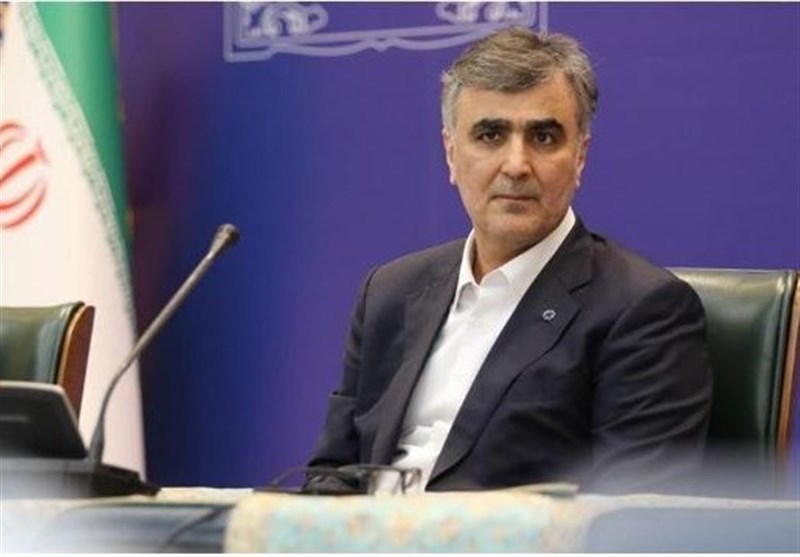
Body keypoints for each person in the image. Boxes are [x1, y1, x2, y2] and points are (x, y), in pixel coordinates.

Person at [307, 27, 712, 494]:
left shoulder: (642, 309)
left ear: (580, 156)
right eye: (490, 134)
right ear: (450, 153)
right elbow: (332, 475)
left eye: (543, 137)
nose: (517, 165)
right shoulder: (390, 291)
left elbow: (632, 515)